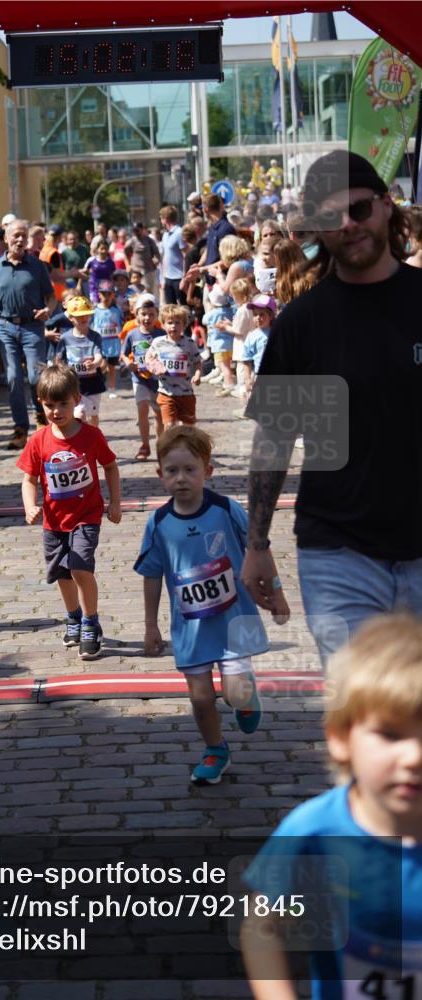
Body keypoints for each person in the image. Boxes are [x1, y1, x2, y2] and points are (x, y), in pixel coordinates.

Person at [242, 149, 422, 666]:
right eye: (330, 217)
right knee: (361, 702)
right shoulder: (303, 323)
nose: (347, 225)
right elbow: (274, 439)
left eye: (358, 209)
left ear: (386, 206)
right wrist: (257, 543)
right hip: (338, 551)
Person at [241, 612, 422, 999]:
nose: (414, 757)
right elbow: (263, 925)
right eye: (390, 734)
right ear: (340, 738)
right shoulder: (314, 831)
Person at [134, 426, 290, 783]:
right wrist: (150, 625)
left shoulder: (225, 510)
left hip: (232, 621)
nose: (181, 478)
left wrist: (276, 592)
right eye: (172, 471)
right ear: (160, 474)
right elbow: (152, 575)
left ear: (208, 471)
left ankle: (245, 695)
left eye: (190, 469)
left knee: (235, 694)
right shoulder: (158, 523)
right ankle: (215, 750)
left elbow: (259, 548)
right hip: (190, 628)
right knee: (201, 698)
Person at [17, 364, 121, 660]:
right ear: (40, 403)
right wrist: (30, 506)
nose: (56, 411)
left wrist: (114, 502)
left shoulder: (91, 436)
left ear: (77, 399)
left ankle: (90, 623)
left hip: (87, 516)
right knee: (62, 574)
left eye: (63, 404)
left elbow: (110, 467)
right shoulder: (38, 441)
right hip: (53, 521)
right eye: (49, 405)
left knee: (80, 567)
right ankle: (73, 616)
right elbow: (29, 479)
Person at [0, 219, 56, 450]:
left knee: (36, 377)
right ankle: (20, 428)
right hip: (5, 326)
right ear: (6, 238)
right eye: (15, 235)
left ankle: (41, 418)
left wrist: (47, 311)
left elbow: (52, 298)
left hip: (32, 326)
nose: (20, 239)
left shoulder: (37, 266)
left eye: (24, 235)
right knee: (13, 377)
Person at [121, 295, 163, 461]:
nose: (147, 318)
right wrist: (127, 363)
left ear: (157, 315)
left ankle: (161, 445)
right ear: (136, 315)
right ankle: (145, 445)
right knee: (143, 408)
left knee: (158, 414)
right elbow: (123, 354)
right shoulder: (132, 334)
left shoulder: (161, 334)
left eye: (151, 314)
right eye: (143, 314)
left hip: (158, 380)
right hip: (139, 378)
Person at [144, 304, 201, 428]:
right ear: (163, 325)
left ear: (184, 325)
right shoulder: (158, 342)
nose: (173, 326)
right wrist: (155, 366)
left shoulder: (189, 343)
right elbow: (148, 358)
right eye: (170, 323)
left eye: (177, 323)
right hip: (166, 392)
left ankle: (185, 441)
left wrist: (197, 375)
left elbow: (197, 361)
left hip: (186, 393)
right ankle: (169, 441)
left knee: (188, 427)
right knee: (169, 425)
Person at [56, 296, 105, 426]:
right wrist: (61, 375)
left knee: (94, 414)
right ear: (70, 317)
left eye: (86, 315)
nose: (84, 318)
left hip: (93, 382)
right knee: (79, 412)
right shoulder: (65, 338)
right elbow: (59, 360)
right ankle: (79, 435)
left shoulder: (95, 336)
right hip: (74, 383)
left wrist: (94, 364)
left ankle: (94, 435)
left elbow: (99, 355)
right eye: (79, 316)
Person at [92, 280, 123, 398]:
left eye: (109, 293)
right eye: (103, 293)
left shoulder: (117, 309)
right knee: (101, 366)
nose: (106, 296)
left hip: (114, 344)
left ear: (113, 294)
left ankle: (112, 389)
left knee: (112, 368)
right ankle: (99, 382)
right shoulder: (95, 310)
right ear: (99, 294)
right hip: (100, 344)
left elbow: (121, 323)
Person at [159, 205, 186, 304]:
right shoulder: (165, 235)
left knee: (182, 307)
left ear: (165, 219)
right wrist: (163, 278)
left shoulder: (179, 233)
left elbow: (185, 256)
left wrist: (185, 278)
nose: (161, 221)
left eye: (161, 218)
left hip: (179, 278)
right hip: (168, 278)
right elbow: (165, 257)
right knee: (170, 307)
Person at [125, 222, 160, 296]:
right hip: (136, 271)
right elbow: (126, 253)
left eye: (137, 230)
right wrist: (128, 264)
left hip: (148, 271)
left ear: (142, 230)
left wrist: (156, 260)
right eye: (134, 230)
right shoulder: (131, 241)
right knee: (135, 292)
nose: (135, 232)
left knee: (148, 292)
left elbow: (157, 254)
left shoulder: (149, 241)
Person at [82, 239, 117, 304]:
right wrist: (80, 284)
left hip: (106, 289)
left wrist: (113, 288)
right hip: (94, 288)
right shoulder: (91, 260)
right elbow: (83, 272)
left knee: (105, 305)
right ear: (97, 249)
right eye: (102, 249)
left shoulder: (111, 262)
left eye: (105, 249)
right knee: (94, 305)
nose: (104, 251)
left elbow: (113, 276)